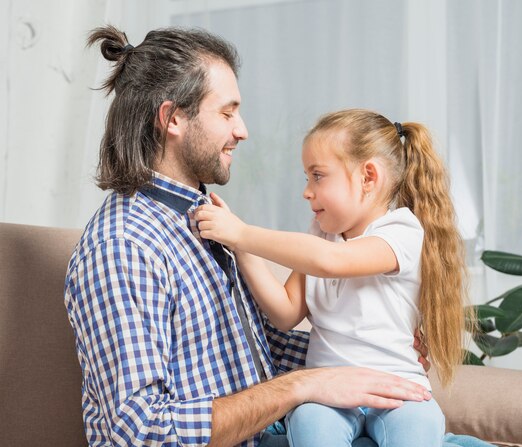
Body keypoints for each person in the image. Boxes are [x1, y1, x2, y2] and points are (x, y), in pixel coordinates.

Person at [64, 26, 431, 447]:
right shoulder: (125, 247)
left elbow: (252, 345)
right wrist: (300, 386)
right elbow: (143, 433)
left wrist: (374, 350)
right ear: (173, 119)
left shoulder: (202, 222)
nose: (242, 130)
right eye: (227, 112)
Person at [194, 109, 468, 447]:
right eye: (306, 178)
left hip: (399, 392)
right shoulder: (321, 238)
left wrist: (244, 233)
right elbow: (285, 313)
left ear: (368, 177)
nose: (307, 192)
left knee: (417, 428)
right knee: (310, 422)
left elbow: (332, 262)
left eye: (318, 176)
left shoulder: (401, 232)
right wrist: (243, 251)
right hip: (328, 395)